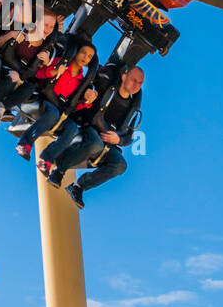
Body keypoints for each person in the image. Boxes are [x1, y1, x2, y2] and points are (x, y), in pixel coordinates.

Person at [38, 62, 144, 208]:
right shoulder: (107, 86)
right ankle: (59, 171)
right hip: (89, 129)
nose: (136, 85)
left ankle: (78, 187)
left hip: (108, 143)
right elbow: (89, 83)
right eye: (134, 80)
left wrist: (118, 139)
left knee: (120, 165)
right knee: (95, 143)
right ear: (124, 76)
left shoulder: (133, 107)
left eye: (140, 83)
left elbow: (129, 136)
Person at [0, 9, 60, 125]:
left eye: (51, 26)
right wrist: (10, 35)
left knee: (30, 87)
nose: (48, 29)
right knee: (14, 75)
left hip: (18, 78)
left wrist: (46, 63)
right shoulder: (21, 32)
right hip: (1, 68)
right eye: (46, 25)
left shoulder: (46, 50)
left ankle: (0, 107)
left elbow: (37, 75)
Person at [14, 42, 97, 160]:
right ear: (76, 52)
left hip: (60, 109)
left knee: (73, 128)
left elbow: (73, 106)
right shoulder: (59, 61)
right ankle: (24, 143)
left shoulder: (82, 82)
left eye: (89, 56)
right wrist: (53, 71)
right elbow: (38, 74)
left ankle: (47, 159)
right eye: (83, 53)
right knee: (53, 113)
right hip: (43, 100)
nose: (85, 57)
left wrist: (86, 102)